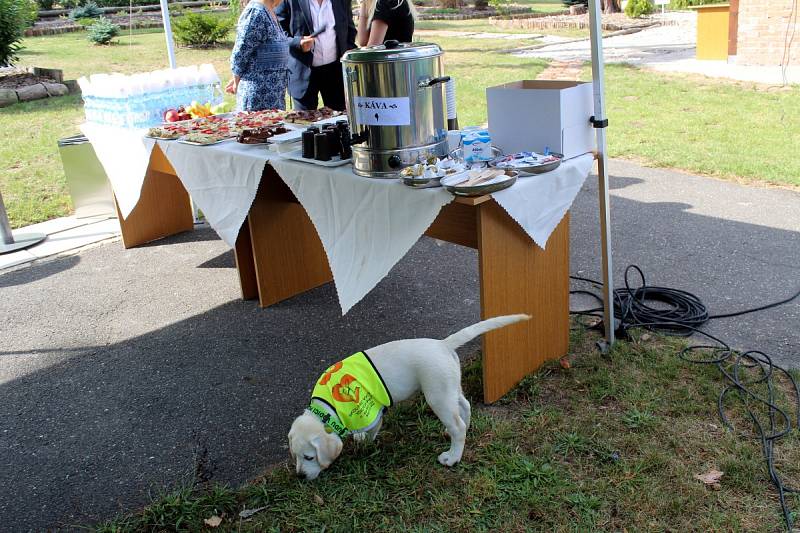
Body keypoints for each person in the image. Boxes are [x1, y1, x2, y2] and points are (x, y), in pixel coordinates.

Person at [275, 0, 356, 111]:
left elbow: (350, 30)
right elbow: (277, 33)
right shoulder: (289, 1)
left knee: (339, 123)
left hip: (335, 74)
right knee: (304, 124)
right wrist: (298, 43)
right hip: (303, 73)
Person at [227, 0, 290, 111]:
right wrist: (236, 78)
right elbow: (241, 52)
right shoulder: (256, 12)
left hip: (275, 97)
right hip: (257, 97)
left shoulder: (270, 11)